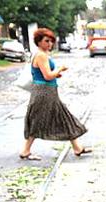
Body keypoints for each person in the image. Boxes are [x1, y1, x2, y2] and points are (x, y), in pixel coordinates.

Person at [19, 28, 90, 160]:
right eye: (46, 41)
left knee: (64, 117)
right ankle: (25, 150)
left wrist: (56, 74)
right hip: (44, 92)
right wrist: (59, 69)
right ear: (38, 42)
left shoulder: (40, 54)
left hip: (48, 91)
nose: (50, 44)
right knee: (37, 120)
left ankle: (77, 148)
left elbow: (47, 75)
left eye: (51, 41)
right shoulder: (41, 55)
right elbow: (47, 75)